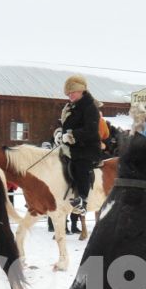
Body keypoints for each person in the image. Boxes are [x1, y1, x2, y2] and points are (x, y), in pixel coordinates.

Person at [55, 74, 102, 211]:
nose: (69, 95)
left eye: (72, 92)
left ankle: (83, 199)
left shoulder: (90, 107)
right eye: (68, 93)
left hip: (87, 148)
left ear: (81, 90)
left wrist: (71, 136)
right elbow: (66, 126)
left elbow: (91, 129)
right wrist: (60, 134)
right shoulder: (72, 107)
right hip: (71, 147)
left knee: (81, 166)